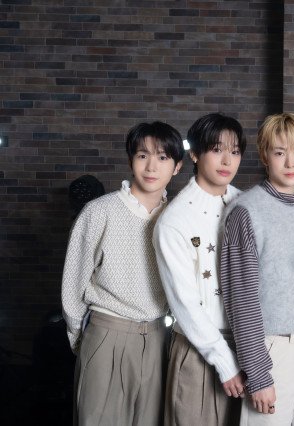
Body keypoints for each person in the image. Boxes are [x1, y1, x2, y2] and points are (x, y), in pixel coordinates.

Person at [61, 121, 184, 425]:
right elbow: (73, 282)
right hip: (107, 332)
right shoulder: (99, 211)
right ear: (131, 161)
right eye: (143, 155)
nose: (151, 166)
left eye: (163, 157)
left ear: (177, 167)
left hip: (159, 337)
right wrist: (83, 339)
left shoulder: (179, 216)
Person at [220, 113, 294, 426]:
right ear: (265, 156)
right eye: (280, 153)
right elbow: (241, 298)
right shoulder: (245, 211)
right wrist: (258, 373)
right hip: (272, 350)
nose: (290, 163)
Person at [153, 113, 247, 425]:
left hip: (247, 347)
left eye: (235, 151)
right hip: (198, 350)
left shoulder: (247, 205)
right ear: (194, 153)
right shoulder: (174, 220)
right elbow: (185, 303)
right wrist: (224, 361)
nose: (227, 160)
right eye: (217, 150)